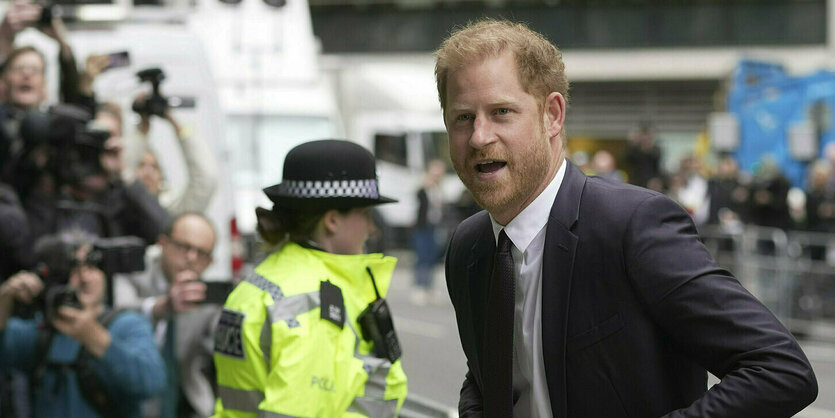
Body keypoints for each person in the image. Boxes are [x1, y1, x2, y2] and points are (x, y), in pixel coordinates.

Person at [436, 19, 817, 417]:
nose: (479, 137)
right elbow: (485, 376)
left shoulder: (632, 225)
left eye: (501, 112)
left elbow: (779, 369)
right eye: (463, 117)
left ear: (552, 115)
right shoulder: (469, 248)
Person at [213, 139, 408, 417]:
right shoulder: (318, 303)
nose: (372, 228)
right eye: (365, 214)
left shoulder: (261, 280)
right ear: (332, 220)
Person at [0, 232, 166, 417]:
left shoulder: (127, 324)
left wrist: (93, 336)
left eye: (93, 267)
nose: (85, 278)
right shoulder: (47, 330)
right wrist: (5, 297)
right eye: (75, 269)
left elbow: (151, 383)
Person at [114, 212, 219, 418]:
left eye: (201, 253)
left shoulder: (208, 298)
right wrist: (160, 308)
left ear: (209, 262)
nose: (191, 258)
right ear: (162, 243)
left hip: (187, 406)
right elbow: (115, 318)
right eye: (183, 247)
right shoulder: (133, 276)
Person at [411, 158, 446, 305]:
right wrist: (426, 184)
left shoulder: (439, 190)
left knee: (432, 257)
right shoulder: (424, 189)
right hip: (422, 227)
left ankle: (429, 287)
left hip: (435, 226)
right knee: (422, 256)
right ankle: (419, 287)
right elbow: (416, 196)